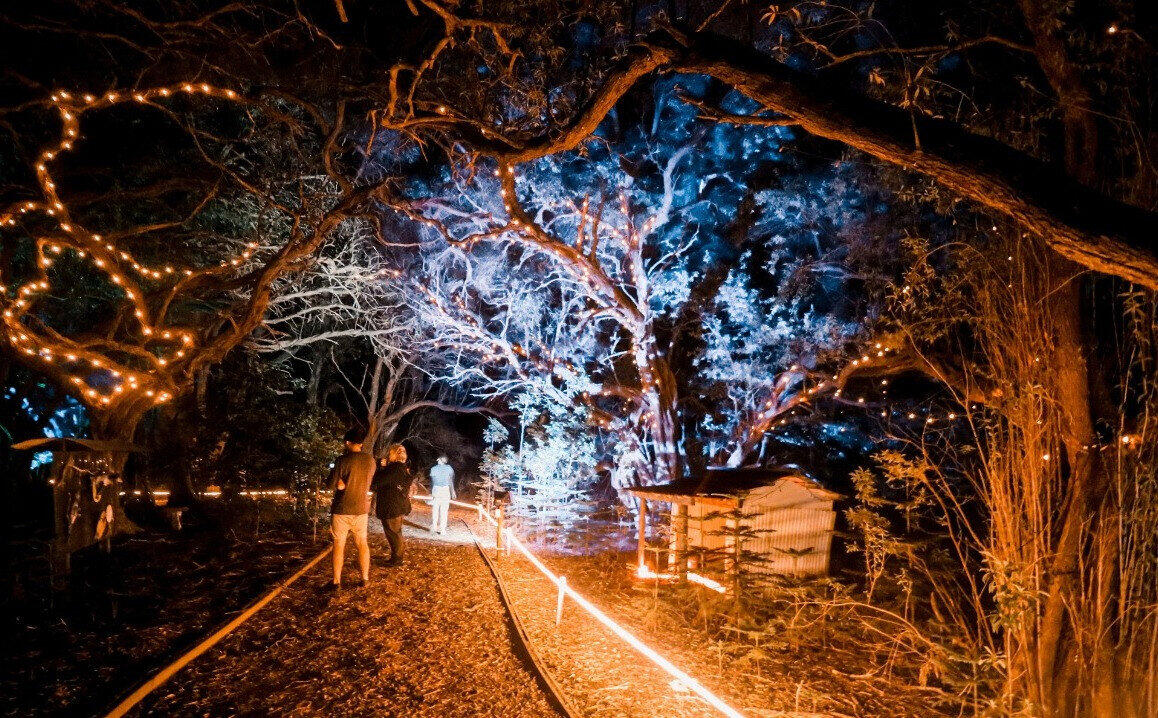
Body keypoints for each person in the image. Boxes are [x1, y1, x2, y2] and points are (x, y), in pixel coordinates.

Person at [327, 428, 376, 589]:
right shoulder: (370, 461)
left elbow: (330, 484)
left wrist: (340, 484)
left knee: (338, 544)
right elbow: (368, 481)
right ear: (361, 444)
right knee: (362, 543)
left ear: (348, 442)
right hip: (361, 509)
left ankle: (336, 582)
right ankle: (365, 578)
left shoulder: (342, 460)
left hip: (342, 509)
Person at [371, 444, 413, 567]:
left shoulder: (393, 469)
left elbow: (377, 483)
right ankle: (396, 557)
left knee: (394, 534)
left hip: (391, 506)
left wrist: (380, 468)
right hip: (399, 505)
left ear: (393, 454)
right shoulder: (403, 469)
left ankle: (397, 559)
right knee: (396, 533)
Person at [428, 455, 455, 535]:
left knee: (435, 509)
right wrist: (452, 491)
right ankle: (442, 530)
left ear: (439, 459)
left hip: (436, 489)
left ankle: (434, 527)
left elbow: (432, 481)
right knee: (444, 511)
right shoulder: (449, 468)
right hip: (445, 490)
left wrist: (431, 492)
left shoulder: (433, 469)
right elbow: (451, 481)